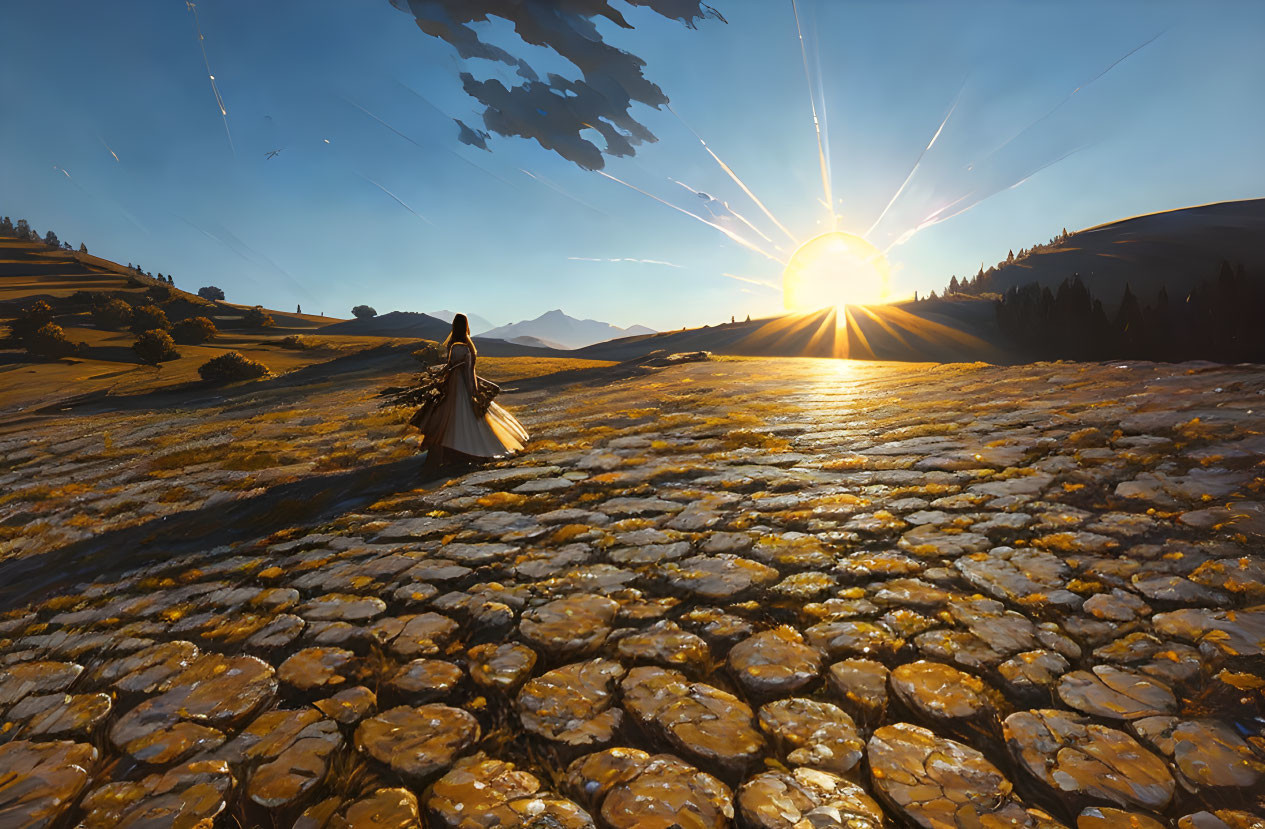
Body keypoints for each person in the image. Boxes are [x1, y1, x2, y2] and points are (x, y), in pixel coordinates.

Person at [413, 313, 528, 471]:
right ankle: (473, 449)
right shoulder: (467, 348)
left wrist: (439, 379)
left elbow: (450, 368)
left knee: (450, 417)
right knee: (470, 416)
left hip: (452, 386)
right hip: (462, 385)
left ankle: (451, 450)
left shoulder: (453, 347)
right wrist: (473, 391)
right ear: (466, 326)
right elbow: (468, 373)